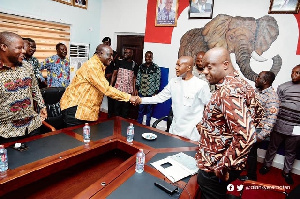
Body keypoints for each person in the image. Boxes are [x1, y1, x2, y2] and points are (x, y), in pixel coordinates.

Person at [195, 47, 261, 199]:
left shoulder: (228, 91)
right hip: (229, 161)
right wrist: (209, 128)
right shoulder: (243, 84)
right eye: (203, 67)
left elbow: (246, 135)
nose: (204, 71)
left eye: (209, 67)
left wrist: (223, 165)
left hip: (215, 165)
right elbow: (256, 116)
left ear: (225, 65)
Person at [60, 44, 138, 127]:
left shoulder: (99, 66)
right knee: (75, 139)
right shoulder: (93, 66)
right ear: (100, 54)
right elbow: (106, 89)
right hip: (76, 110)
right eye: (110, 55)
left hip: (85, 111)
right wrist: (129, 97)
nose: (112, 58)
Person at [135, 56, 211, 141]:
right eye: (176, 65)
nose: (176, 67)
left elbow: (210, 106)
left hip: (192, 135)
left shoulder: (201, 85)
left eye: (179, 65)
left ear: (188, 68)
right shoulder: (173, 82)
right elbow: (159, 98)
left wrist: (204, 124)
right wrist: (141, 100)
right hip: (174, 131)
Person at [0, 31, 47, 143]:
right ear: (3, 47)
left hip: (32, 127)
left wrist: (42, 106)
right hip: (7, 133)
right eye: (19, 48)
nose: (24, 51)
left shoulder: (26, 66)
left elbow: (35, 88)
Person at [259, 65, 300, 185]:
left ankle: (286, 172)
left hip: (296, 127)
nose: (294, 75)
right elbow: (276, 105)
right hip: (280, 123)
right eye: (293, 72)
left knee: (291, 151)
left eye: (297, 73)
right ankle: (266, 166)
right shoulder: (283, 87)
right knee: (272, 147)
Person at [239, 71, 279, 181]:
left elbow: (271, 120)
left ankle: (251, 176)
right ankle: (243, 168)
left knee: (251, 154)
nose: (256, 79)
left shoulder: (272, 98)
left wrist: (260, 136)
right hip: (249, 126)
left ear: (265, 81)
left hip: (257, 130)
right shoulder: (257, 91)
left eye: (259, 77)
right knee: (246, 151)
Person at [111, 48, 138, 118]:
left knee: (125, 109)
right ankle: (115, 124)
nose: (125, 54)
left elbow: (134, 78)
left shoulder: (134, 65)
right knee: (117, 108)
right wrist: (110, 86)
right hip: (118, 89)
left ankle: (123, 124)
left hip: (128, 90)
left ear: (131, 54)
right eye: (125, 52)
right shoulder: (119, 62)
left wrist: (134, 90)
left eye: (128, 53)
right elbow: (114, 74)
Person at [135, 51, 161, 126]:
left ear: (152, 58)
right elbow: (138, 78)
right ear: (144, 57)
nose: (148, 58)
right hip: (141, 92)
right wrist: (137, 89)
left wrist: (155, 92)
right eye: (147, 56)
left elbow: (158, 80)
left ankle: (147, 126)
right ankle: (139, 125)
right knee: (140, 110)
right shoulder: (141, 67)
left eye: (150, 56)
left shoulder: (156, 68)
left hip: (151, 93)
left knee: (149, 111)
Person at [102, 37, 118, 118]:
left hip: (110, 78)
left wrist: (111, 74)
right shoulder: (98, 53)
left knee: (111, 96)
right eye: (105, 43)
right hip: (100, 77)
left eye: (108, 43)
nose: (106, 44)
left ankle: (111, 114)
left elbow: (116, 68)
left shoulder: (115, 54)